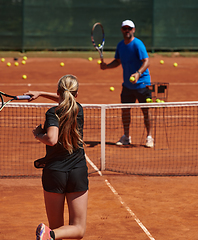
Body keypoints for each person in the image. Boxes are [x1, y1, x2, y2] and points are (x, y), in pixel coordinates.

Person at [26, 74, 88, 240]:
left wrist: (39, 134)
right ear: (76, 94)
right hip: (77, 172)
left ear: (58, 91)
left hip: (54, 173)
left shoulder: (52, 113)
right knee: (78, 229)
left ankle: (50, 234)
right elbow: (66, 98)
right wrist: (40, 93)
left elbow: (51, 139)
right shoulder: (78, 109)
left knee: (55, 228)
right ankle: (51, 235)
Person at [100, 19, 154, 148]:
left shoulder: (138, 44)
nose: (127, 31)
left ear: (133, 30)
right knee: (125, 111)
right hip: (128, 86)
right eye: (125, 28)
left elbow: (146, 61)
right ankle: (126, 136)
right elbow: (117, 61)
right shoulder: (120, 46)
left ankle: (149, 137)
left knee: (146, 111)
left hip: (142, 84)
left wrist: (138, 74)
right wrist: (106, 66)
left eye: (129, 28)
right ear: (122, 30)